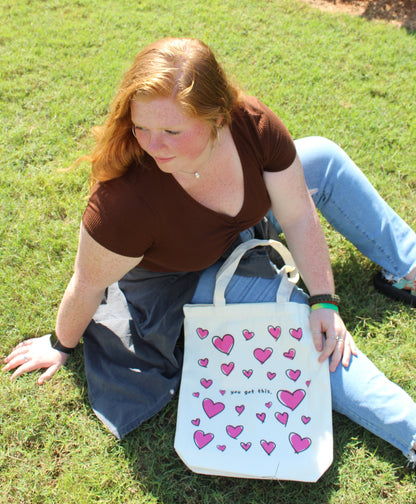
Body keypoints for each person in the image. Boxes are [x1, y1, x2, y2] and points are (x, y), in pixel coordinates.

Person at [3, 38, 416, 465]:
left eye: (171, 130)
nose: (152, 144)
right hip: (185, 278)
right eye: (141, 127)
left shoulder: (252, 126)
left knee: (323, 158)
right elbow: (87, 284)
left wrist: (325, 298)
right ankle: (412, 429)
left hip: (242, 226)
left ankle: (408, 269)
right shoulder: (124, 205)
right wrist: (60, 343)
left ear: (219, 116)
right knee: (298, 324)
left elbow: (298, 217)